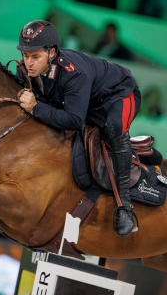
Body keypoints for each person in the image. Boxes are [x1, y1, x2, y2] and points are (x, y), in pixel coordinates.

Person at [16, 20, 141, 237]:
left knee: (113, 128)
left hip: (119, 94)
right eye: (26, 55)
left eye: (35, 57)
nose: (29, 63)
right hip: (86, 100)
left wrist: (35, 108)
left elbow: (74, 120)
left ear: (52, 52)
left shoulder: (73, 73)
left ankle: (125, 208)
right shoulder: (26, 69)